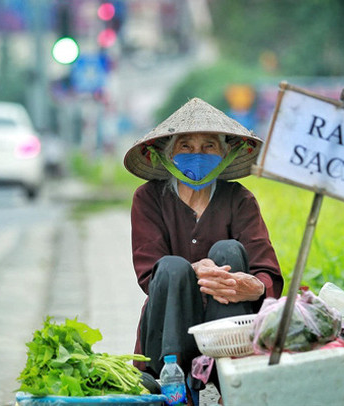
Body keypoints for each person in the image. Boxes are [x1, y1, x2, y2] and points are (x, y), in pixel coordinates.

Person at [124, 97, 283, 403]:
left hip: (229, 331)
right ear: (169, 153)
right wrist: (196, 271)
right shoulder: (148, 198)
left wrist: (251, 287)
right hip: (169, 328)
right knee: (171, 267)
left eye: (209, 145)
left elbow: (267, 273)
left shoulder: (240, 199)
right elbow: (148, 273)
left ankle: (227, 376)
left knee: (229, 251)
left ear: (225, 153)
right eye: (186, 146)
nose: (198, 154)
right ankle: (171, 378)